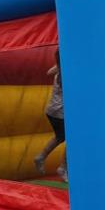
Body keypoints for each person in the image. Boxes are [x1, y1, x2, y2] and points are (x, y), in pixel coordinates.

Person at [34, 50, 68, 182]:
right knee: (73, 140)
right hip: (60, 113)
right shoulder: (66, 73)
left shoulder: (59, 69)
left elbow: (48, 72)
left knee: (60, 137)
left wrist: (58, 66)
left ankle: (41, 157)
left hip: (52, 111)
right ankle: (63, 167)